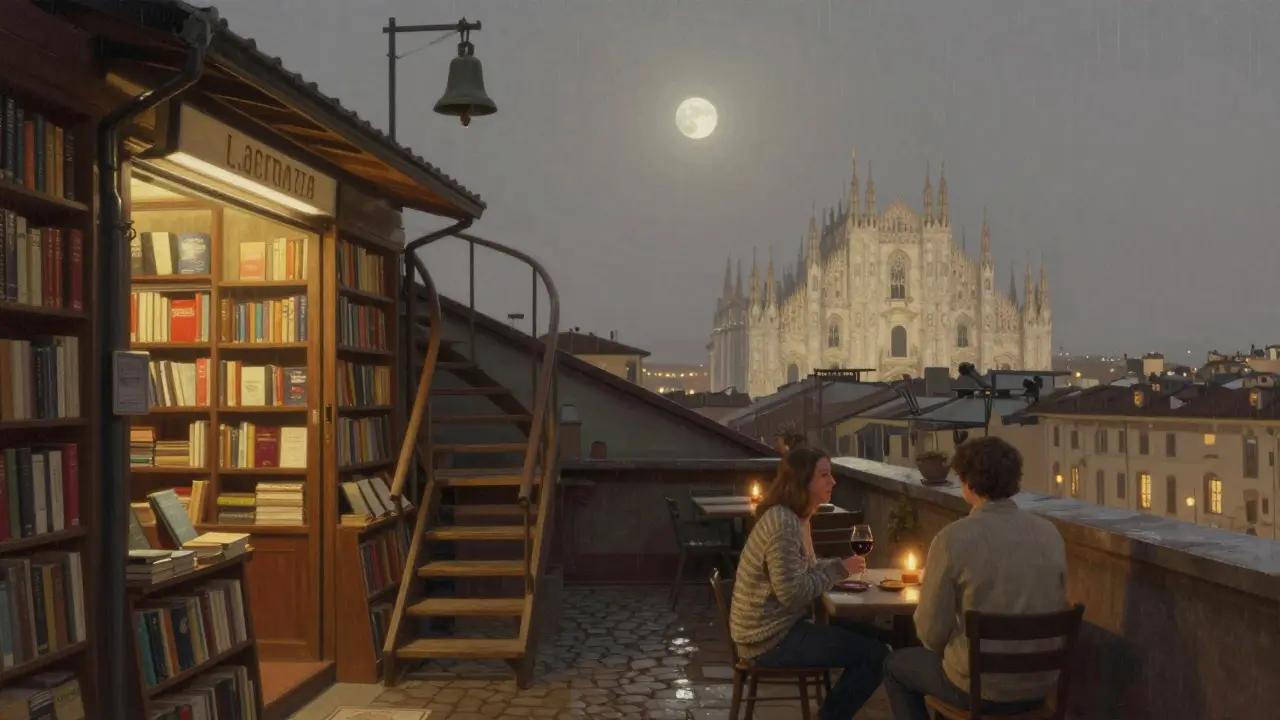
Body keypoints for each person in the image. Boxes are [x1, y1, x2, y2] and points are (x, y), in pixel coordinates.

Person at [883, 436, 1068, 719]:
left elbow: (930, 635)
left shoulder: (953, 539)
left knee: (896, 665)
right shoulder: (1050, 533)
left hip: (981, 690)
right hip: (1040, 686)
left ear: (967, 483)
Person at [729, 447, 888, 720]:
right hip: (768, 641)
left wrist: (838, 567)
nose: (833, 482)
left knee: (877, 638)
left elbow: (805, 571)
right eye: (825, 475)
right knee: (874, 655)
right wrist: (840, 569)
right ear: (803, 481)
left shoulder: (797, 517)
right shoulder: (783, 524)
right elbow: (792, 593)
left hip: (777, 629)